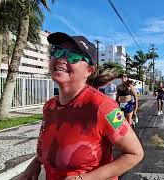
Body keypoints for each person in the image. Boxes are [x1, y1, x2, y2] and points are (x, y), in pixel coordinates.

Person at [19, 32, 143, 180]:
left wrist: (85, 178)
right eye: (57, 51)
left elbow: (134, 154)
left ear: (88, 71)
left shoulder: (103, 107)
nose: (61, 59)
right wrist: (32, 167)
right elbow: (46, 151)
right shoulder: (50, 107)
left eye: (73, 56)